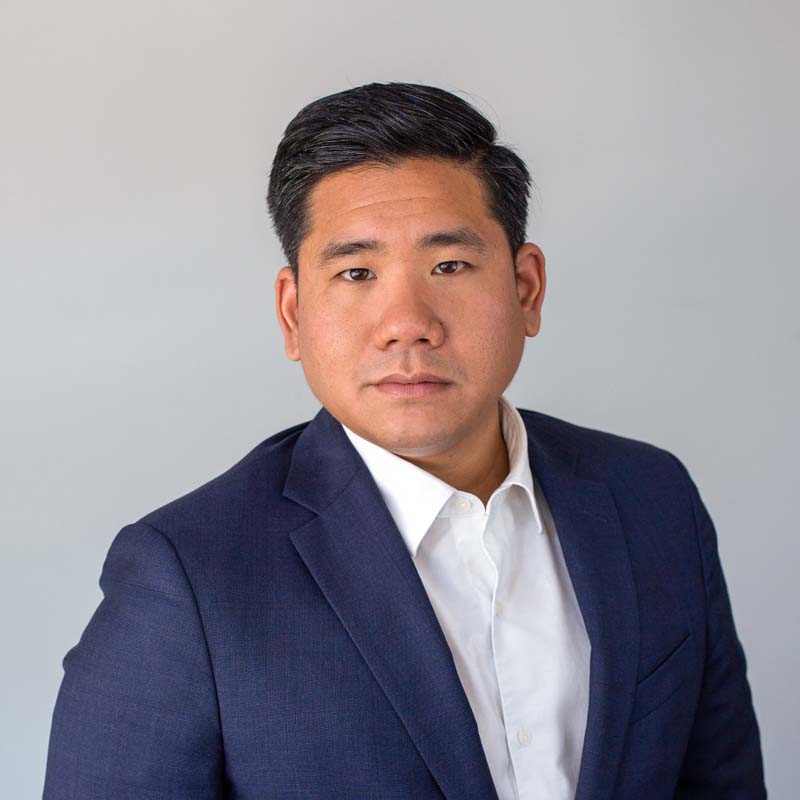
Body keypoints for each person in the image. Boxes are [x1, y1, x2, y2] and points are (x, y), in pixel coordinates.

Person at [42, 82, 766, 800]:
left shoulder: (652, 499)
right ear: (293, 315)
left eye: (449, 266)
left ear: (526, 288)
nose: (407, 323)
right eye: (356, 272)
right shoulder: (187, 578)